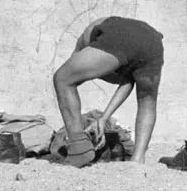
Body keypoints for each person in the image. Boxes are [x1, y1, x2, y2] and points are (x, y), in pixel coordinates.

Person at [52, 16, 164, 167]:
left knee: (62, 79)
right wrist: (104, 118)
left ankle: (79, 148)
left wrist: (76, 128)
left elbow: (70, 80)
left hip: (119, 35)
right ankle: (137, 159)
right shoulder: (120, 44)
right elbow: (129, 80)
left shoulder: (84, 46)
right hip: (153, 42)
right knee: (147, 102)